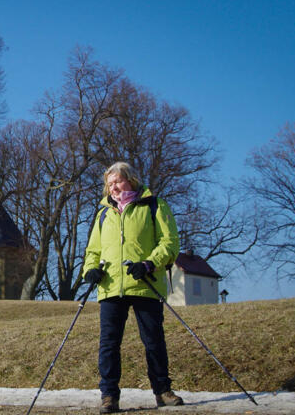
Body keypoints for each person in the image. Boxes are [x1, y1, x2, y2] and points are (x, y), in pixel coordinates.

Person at [82, 162, 183, 414]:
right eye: (109, 184)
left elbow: (169, 242)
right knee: (109, 344)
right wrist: (90, 270)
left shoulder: (154, 206)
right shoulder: (103, 213)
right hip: (110, 287)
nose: (113, 187)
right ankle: (109, 396)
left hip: (144, 284)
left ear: (131, 180)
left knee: (153, 341)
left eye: (118, 181)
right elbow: (93, 250)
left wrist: (149, 264)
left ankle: (162, 391)